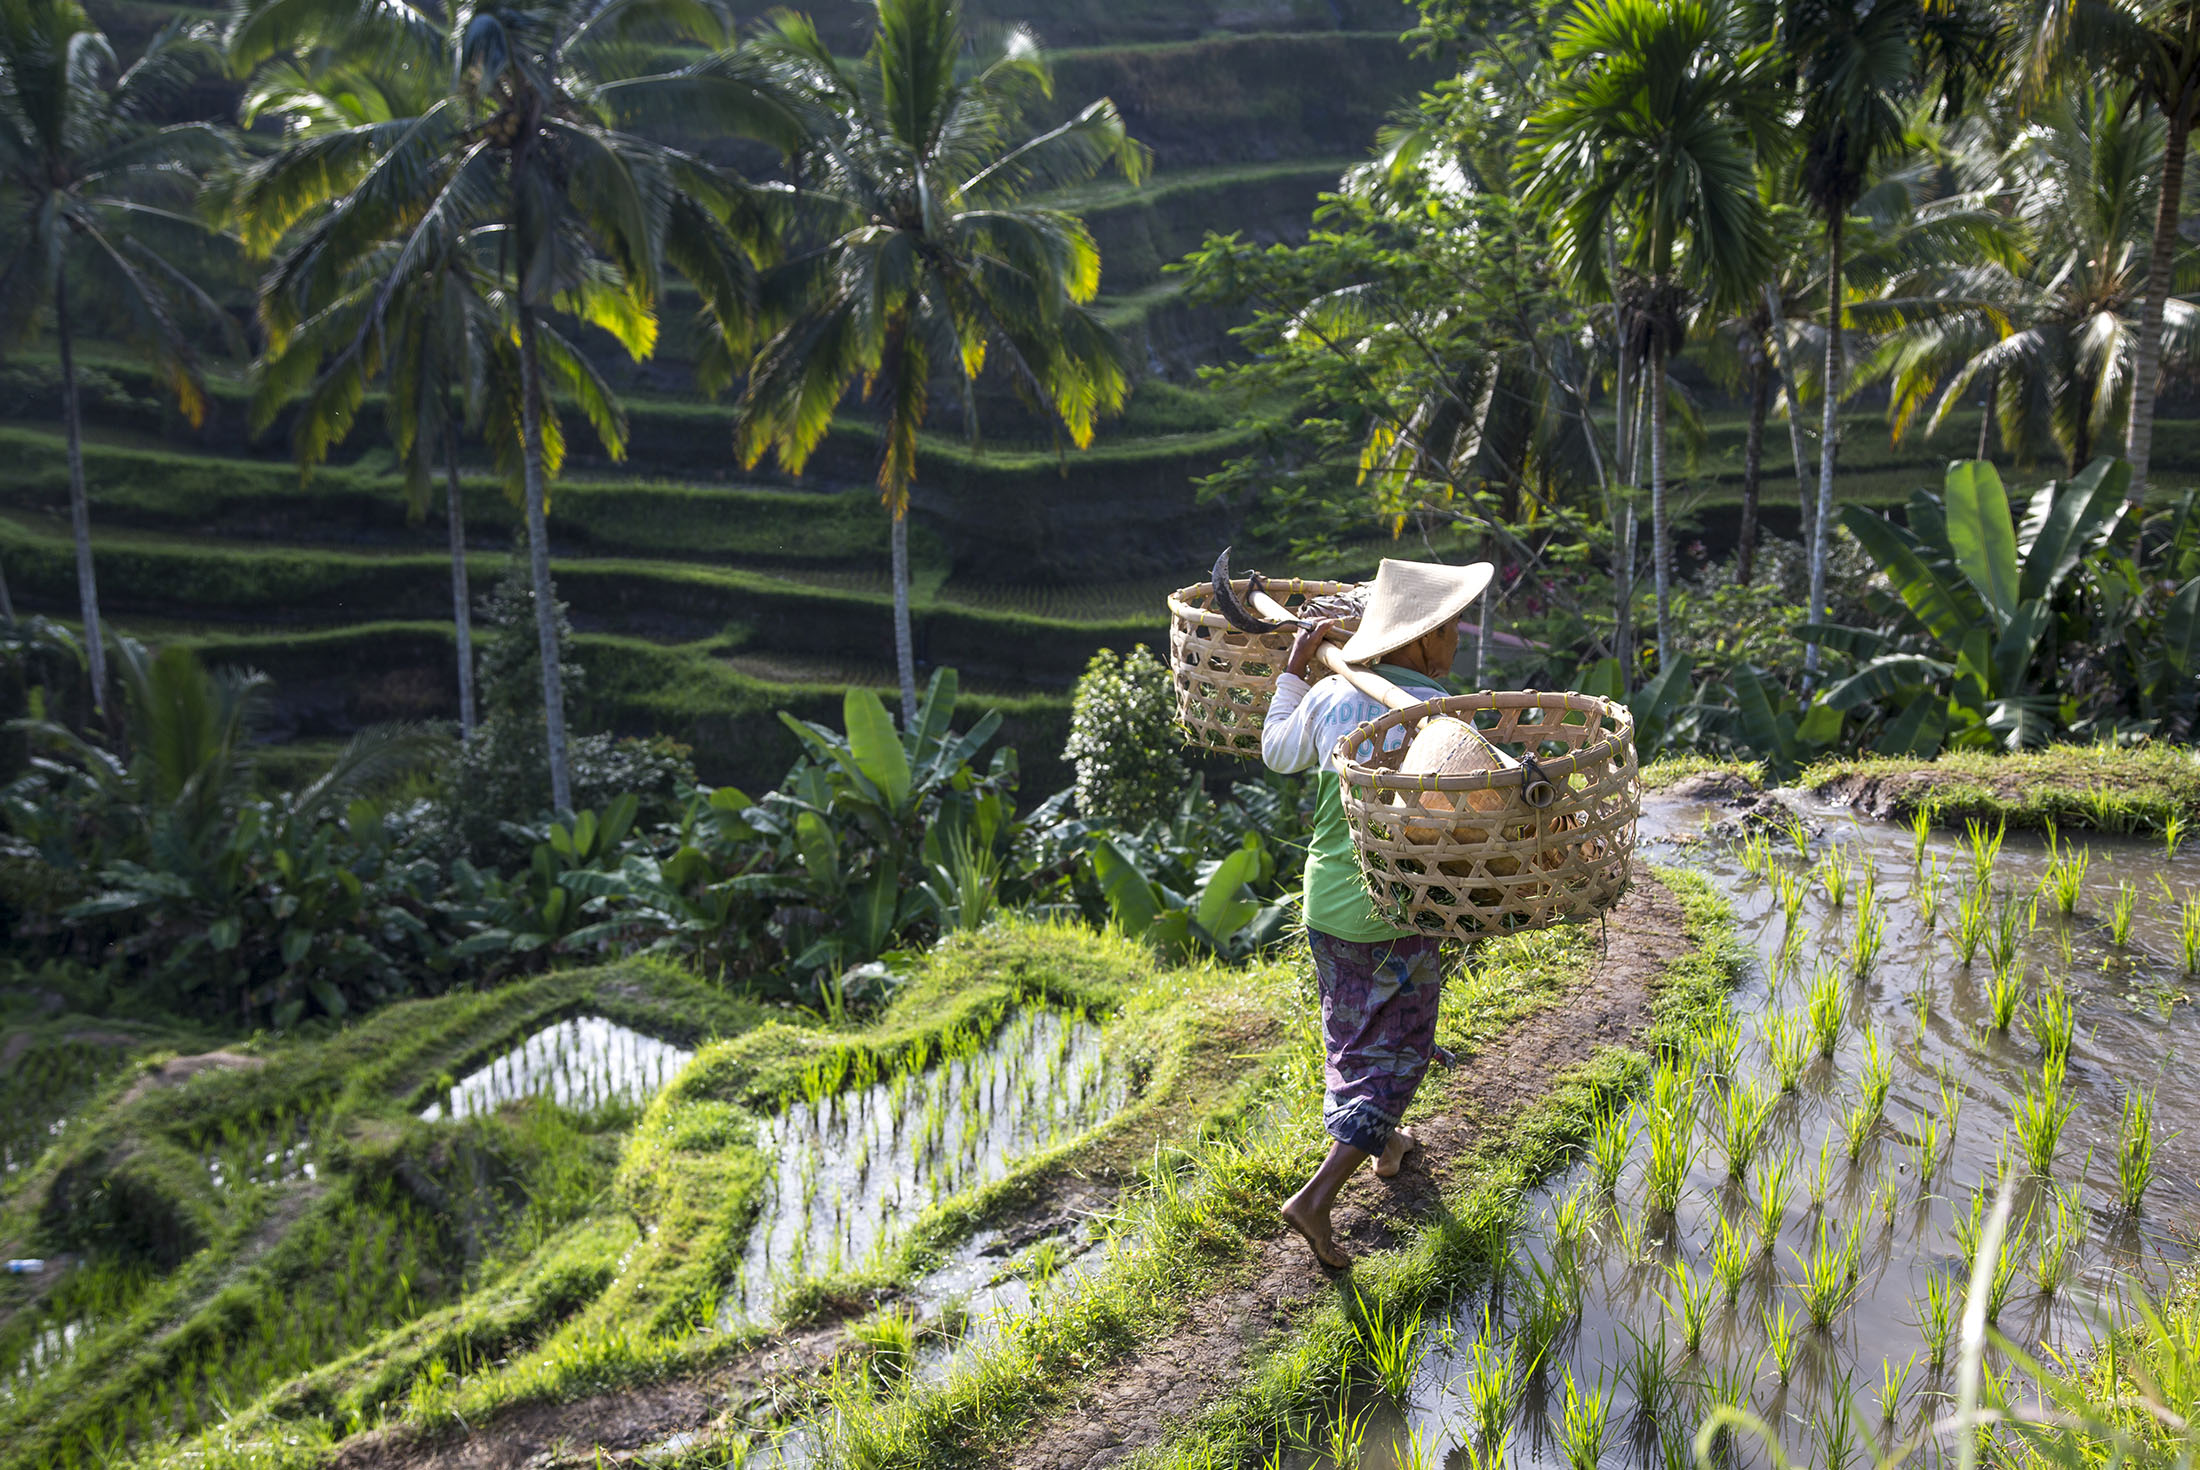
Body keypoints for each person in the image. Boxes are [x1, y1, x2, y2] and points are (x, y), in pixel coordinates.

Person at [1259, 557, 1493, 1269]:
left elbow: (1275, 752)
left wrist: (1295, 672)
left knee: (1353, 1034)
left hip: (1327, 899)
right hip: (1395, 909)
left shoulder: (1334, 696)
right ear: (1420, 641)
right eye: (1450, 627)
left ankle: (1386, 1145)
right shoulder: (1439, 720)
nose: (1457, 638)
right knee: (1402, 1051)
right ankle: (1317, 1198)